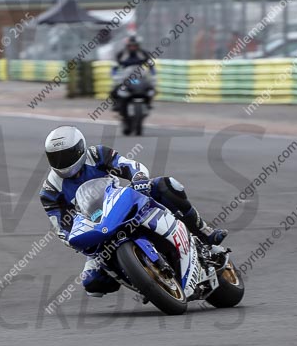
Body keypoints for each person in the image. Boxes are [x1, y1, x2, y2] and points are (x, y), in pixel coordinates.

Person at [39, 125, 227, 297]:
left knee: (167, 186)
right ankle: (142, 280)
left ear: (80, 149)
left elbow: (128, 165)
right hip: (95, 227)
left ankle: (204, 232)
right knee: (92, 283)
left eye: (67, 155)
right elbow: (60, 226)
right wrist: (74, 241)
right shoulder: (50, 190)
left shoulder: (96, 154)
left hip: (121, 201)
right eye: (56, 158)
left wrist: (138, 177)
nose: (62, 162)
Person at [110, 35, 155, 113]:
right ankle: (116, 104)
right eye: (131, 46)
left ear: (138, 45)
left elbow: (151, 65)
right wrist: (114, 75)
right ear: (127, 46)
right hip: (126, 75)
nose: (132, 47)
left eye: (134, 45)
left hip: (140, 74)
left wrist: (154, 74)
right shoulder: (121, 54)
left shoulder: (144, 53)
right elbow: (115, 66)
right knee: (115, 88)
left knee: (151, 88)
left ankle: (148, 103)